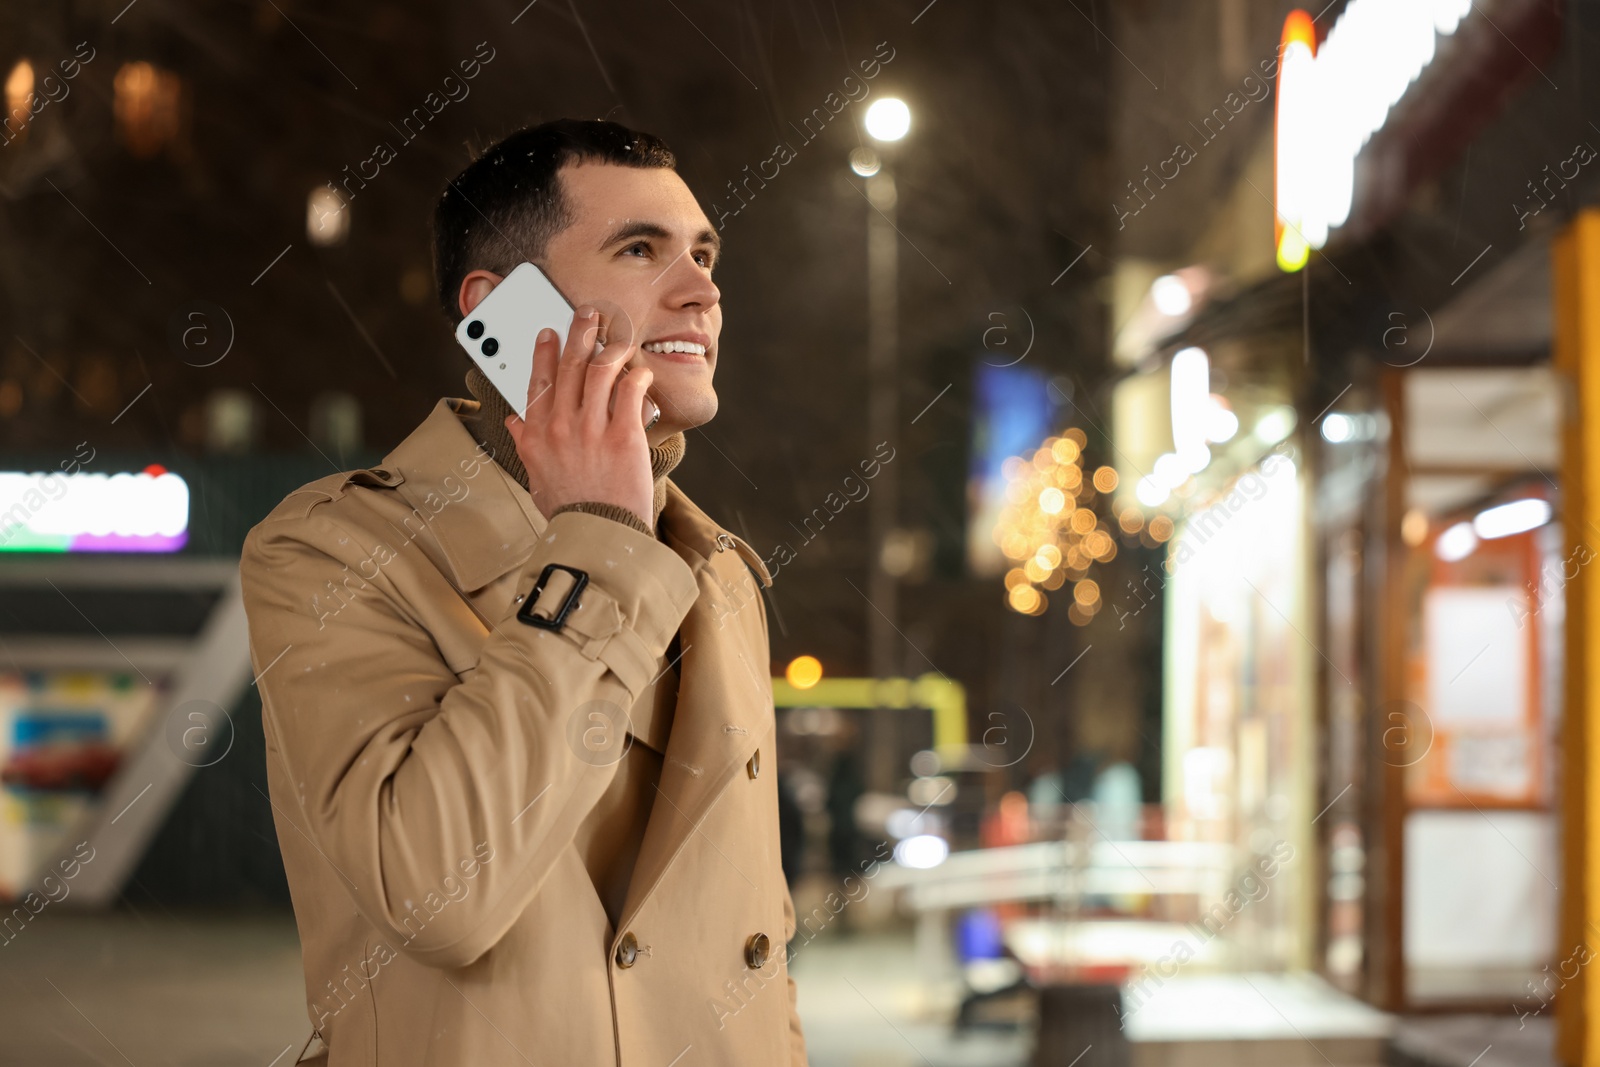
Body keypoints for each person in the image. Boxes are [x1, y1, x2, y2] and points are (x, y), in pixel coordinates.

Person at [240, 119, 805, 1066]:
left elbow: (759, 945)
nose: (702, 291)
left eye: (705, 254)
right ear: (504, 311)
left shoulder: (721, 574)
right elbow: (440, 895)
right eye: (641, 250)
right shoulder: (332, 550)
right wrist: (598, 535)